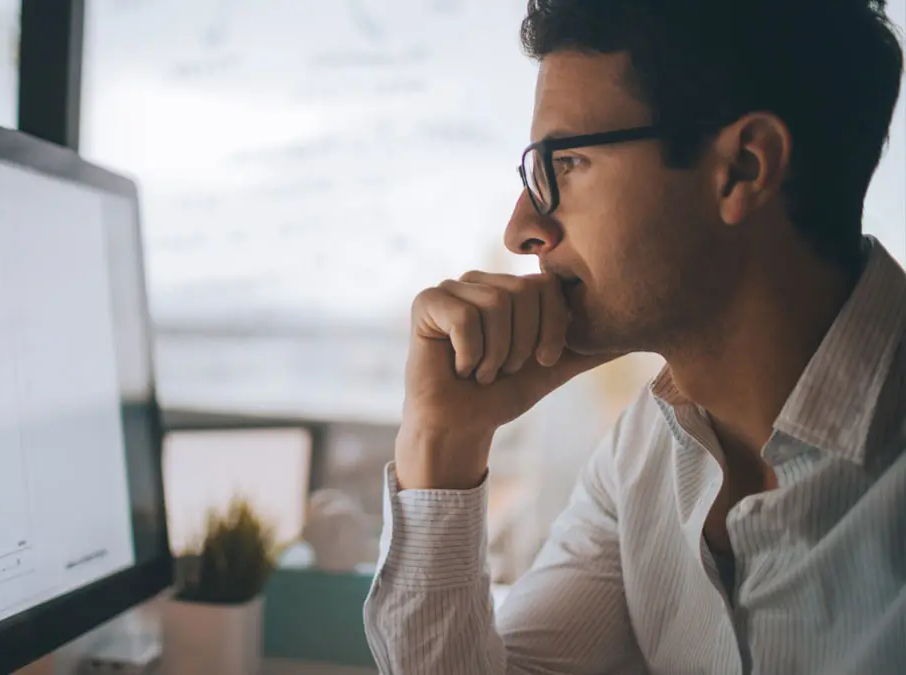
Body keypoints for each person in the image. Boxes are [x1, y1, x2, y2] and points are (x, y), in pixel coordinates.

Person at [363, 0, 906, 673]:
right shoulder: (644, 455)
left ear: (743, 168)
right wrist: (441, 441)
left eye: (566, 163)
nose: (522, 230)